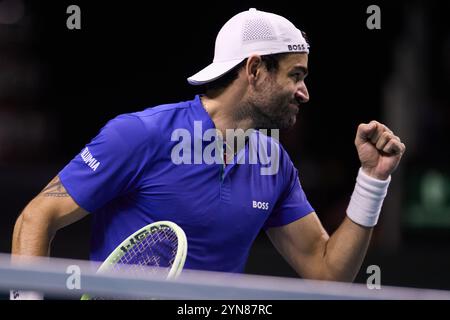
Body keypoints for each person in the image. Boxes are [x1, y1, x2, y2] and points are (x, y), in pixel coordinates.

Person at [11, 8, 405, 299]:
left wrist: (372, 180)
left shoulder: (274, 165)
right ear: (254, 70)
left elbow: (326, 274)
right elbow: (36, 216)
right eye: (295, 75)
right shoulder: (141, 134)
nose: (305, 92)